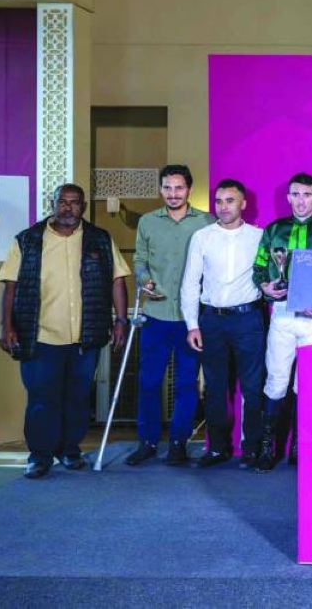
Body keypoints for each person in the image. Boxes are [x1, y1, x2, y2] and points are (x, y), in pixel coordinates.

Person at [0, 184, 130, 479]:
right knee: (42, 399)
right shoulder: (28, 240)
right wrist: (6, 326)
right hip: (41, 335)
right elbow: (10, 285)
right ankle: (40, 456)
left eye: (74, 203)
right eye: (62, 202)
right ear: (53, 203)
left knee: (78, 397)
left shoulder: (99, 239)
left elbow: (117, 282)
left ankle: (70, 451)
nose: (67, 208)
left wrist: (121, 320)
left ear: (82, 206)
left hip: (86, 337)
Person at [252, 173, 312, 472]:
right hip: (281, 315)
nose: (301, 200)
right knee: (276, 379)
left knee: (306, 383)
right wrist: (265, 286)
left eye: (307, 194)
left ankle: (298, 445)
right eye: (295, 194)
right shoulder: (274, 230)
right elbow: (260, 267)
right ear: (288, 197)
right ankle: (267, 444)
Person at [125, 165, 214, 467]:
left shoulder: (206, 221)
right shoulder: (148, 222)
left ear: (189, 189)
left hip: (191, 320)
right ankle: (147, 442)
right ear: (160, 189)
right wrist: (143, 280)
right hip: (156, 315)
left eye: (178, 188)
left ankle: (178, 443)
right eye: (167, 188)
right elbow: (139, 260)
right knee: (149, 382)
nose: (173, 194)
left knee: (186, 384)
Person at [180, 179, 266, 469]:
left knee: (253, 387)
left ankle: (251, 449)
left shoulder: (259, 237)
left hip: (248, 320)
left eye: (230, 201)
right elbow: (190, 283)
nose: (223, 207)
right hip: (211, 321)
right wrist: (192, 324)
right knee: (216, 388)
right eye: (219, 201)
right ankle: (217, 448)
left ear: (243, 204)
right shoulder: (202, 237)